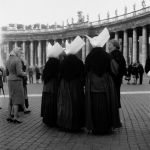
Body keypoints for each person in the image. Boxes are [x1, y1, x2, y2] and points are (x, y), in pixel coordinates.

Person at [85, 47, 119, 135]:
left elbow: (85, 70)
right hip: (105, 83)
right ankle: (106, 127)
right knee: (106, 105)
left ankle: (95, 127)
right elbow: (115, 69)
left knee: (93, 106)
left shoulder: (89, 56)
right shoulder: (108, 56)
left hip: (92, 83)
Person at [57, 41, 85, 132]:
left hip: (65, 85)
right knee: (77, 103)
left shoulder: (63, 62)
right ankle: (77, 124)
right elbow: (83, 75)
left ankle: (65, 123)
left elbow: (60, 74)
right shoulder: (79, 62)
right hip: (76, 86)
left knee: (65, 104)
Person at [6, 47, 27, 124]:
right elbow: (19, 73)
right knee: (16, 99)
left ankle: (9, 116)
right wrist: (25, 74)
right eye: (20, 53)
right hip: (16, 81)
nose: (20, 54)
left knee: (11, 98)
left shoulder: (7, 60)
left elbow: (7, 72)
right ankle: (15, 117)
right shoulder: (17, 60)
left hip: (10, 80)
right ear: (17, 52)